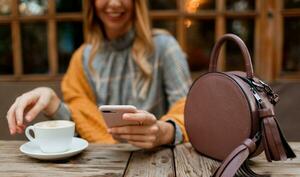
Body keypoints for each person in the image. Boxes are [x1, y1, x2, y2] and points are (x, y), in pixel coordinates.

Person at [6, 0, 191, 149]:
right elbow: (82, 124)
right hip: (102, 168)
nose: (115, 3)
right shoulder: (82, 58)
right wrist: (52, 103)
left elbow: (189, 111)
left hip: (156, 166)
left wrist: (164, 132)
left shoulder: (165, 47)